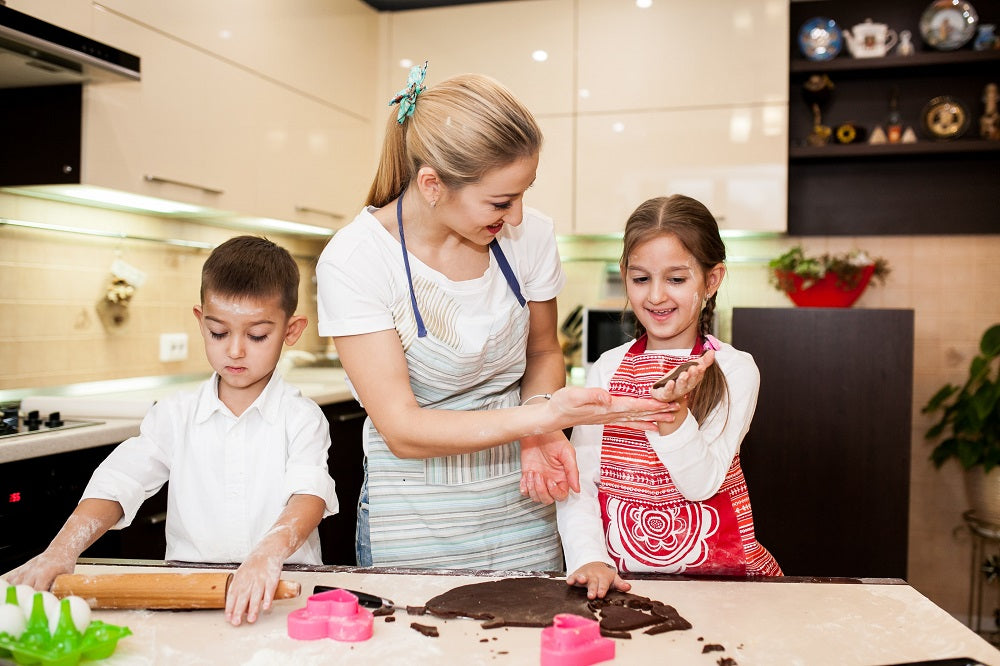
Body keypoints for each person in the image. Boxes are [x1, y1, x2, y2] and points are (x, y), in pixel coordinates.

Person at [315, 63, 676, 571]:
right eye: (502, 201)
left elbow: (545, 351)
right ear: (433, 184)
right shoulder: (356, 261)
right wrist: (545, 417)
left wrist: (539, 435)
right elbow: (402, 427)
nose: (519, 216)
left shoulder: (528, 238)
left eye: (525, 193)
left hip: (524, 496)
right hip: (415, 516)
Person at [5, 236, 338, 626]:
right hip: (191, 595)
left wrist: (267, 552)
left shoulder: (301, 417)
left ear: (291, 330)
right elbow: (119, 482)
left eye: (257, 335)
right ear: (200, 321)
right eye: (218, 332)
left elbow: (308, 495)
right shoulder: (173, 416)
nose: (234, 350)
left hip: (282, 592)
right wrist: (62, 550)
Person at [556, 194, 781, 600]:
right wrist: (588, 557)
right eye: (641, 279)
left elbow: (702, 484)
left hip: (722, 583)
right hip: (622, 579)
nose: (656, 296)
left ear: (711, 281)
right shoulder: (607, 367)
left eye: (676, 279)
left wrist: (673, 419)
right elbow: (582, 481)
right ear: (625, 274)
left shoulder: (734, 369)